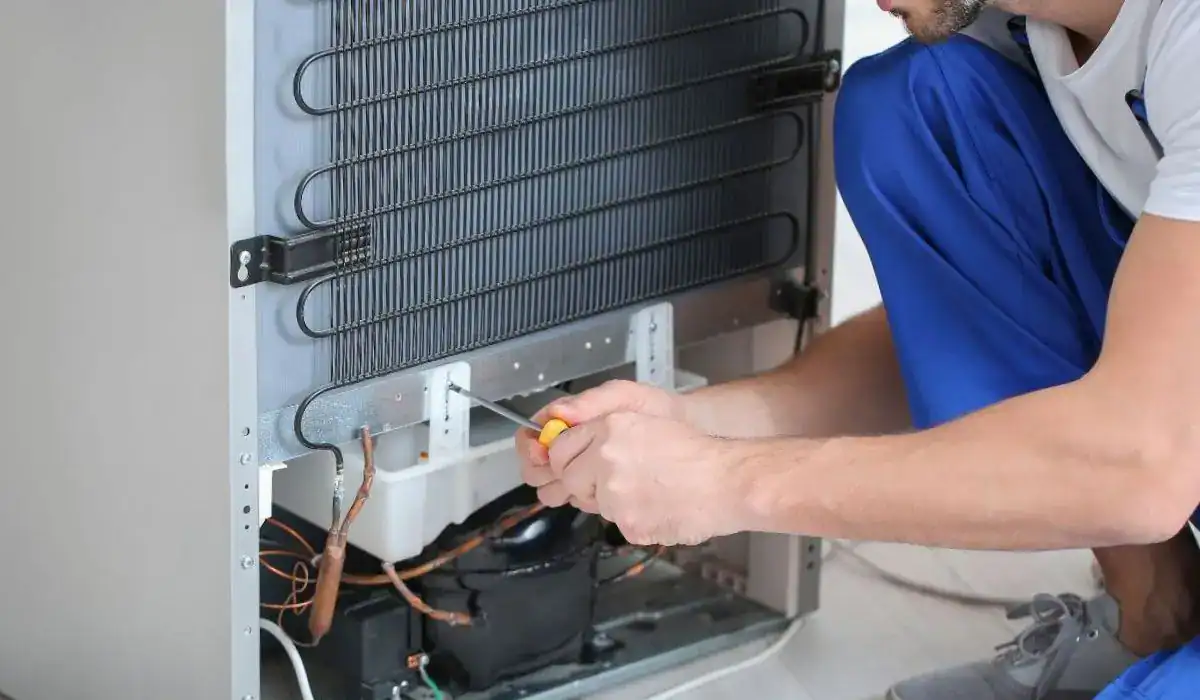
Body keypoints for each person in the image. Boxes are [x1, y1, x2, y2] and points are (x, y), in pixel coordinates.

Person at [515, 0, 1200, 698]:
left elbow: (1140, 467)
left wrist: (725, 482)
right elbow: (974, 317)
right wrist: (701, 426)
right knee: (917, 106)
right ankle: (1151, 614)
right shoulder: (1018, 23)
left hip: (1157, 459)